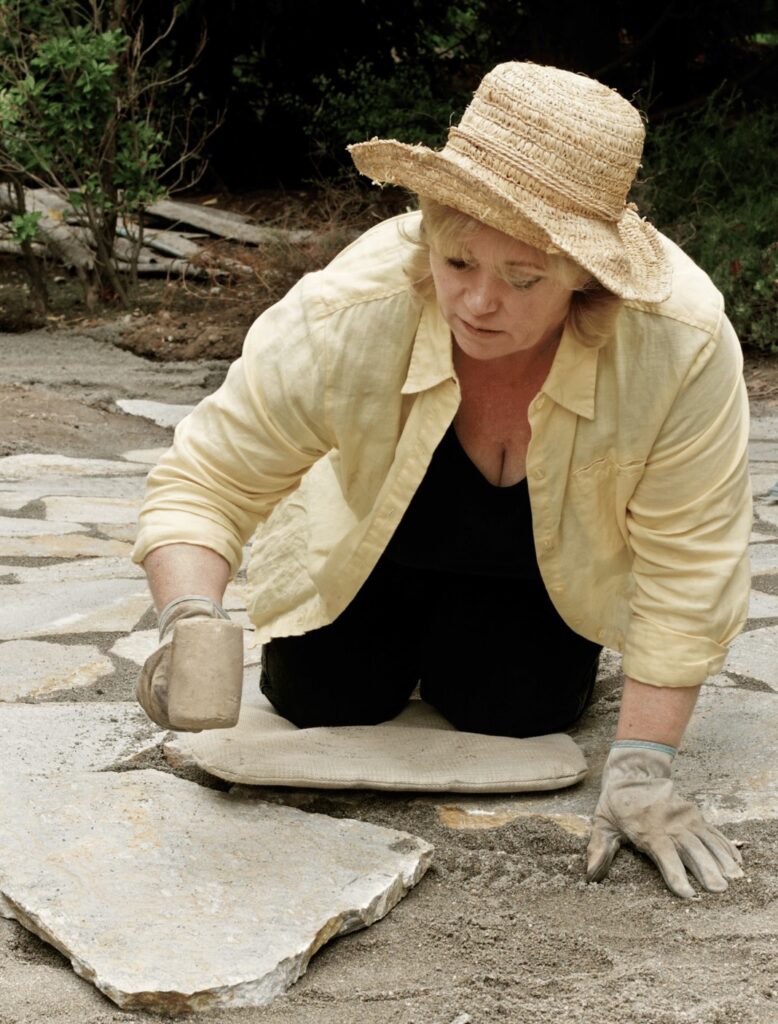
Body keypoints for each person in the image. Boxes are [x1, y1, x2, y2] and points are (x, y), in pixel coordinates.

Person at [132, 62, 752, 899]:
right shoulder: (350, 309)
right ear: (428, 230)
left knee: (519, 709)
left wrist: (644, 765)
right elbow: (208, 477)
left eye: (523, 277)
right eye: (458, 260)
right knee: (319, 695)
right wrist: (188, 616)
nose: (479, 302)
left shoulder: (680, 342)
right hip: (375, 540)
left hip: (542, 560)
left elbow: (692, 562)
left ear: (587, 274)